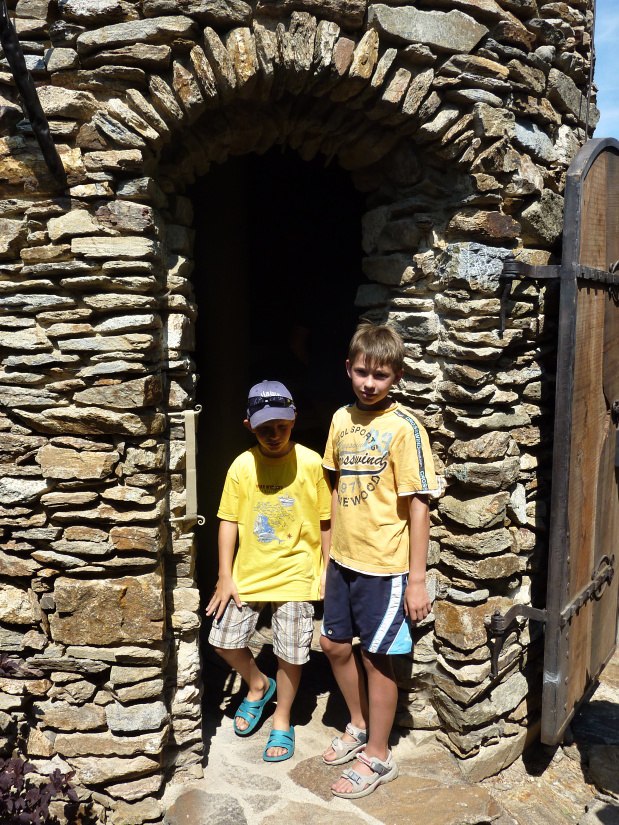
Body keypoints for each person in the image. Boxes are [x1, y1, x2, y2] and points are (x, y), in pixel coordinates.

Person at [320, 323, 440, 798]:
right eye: (362, 372)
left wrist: (417, 580)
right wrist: (328, 556)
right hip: (343, 561)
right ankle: (359, 723)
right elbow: (334, 486)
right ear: (348, 369)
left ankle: (378, 755)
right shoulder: (339, 419)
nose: (370, 383)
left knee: (377, 659)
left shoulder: (405, 428)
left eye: (381, 375)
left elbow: (419, 505)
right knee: (333, 645)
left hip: (385, 567)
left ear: (397, 377)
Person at [206, 380, 331, 762]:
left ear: (294, 420)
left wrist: (327, 569)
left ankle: (282, 717)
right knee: (223, 640)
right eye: (264, 429)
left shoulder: (311, 463)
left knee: (291, 652)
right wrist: (225, 575)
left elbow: (326, 520)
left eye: (281, 426)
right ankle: (258, 684)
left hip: (297, 572)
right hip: (249, 572)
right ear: (249, 426)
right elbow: (228, 520)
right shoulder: (242, 466)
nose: (274, 435)